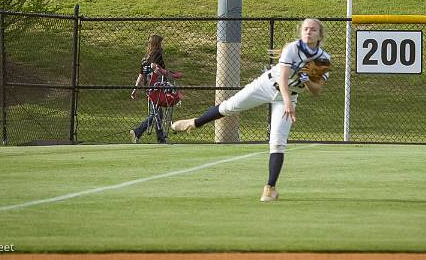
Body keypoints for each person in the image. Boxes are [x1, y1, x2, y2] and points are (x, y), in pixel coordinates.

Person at [171, 18, 330, 202]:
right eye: (305, 28)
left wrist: (306, 79)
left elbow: (316, 90)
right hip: (268, 85)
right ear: (301, 31)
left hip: (289, 97)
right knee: (228, 107)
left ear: (320, 35)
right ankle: (195, 123)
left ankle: (270, 188)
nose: (308, 32)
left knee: (278, 142)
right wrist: (287, 101)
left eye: (313, 29)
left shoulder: (322, 58)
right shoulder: (292, 49)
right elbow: (284, 78)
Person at [129, 34, 168, 144]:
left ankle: (160, 139)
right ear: (157, 44)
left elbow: (141, 75)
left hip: (149, 88)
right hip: (156, 87)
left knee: (157, 114)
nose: (162, 45)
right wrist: (165, 73)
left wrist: (135, 89)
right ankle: (137, 131)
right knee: (155, 114)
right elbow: (156, 68)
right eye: (160, 43)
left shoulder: (145, 58)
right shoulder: (157, 54)